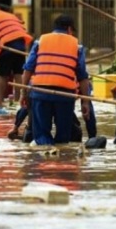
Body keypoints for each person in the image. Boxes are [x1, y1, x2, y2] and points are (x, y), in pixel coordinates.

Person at [20, 15, 91, 145]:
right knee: (63, 138)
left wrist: (23, 93)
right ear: (69, 29)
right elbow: (83, 77)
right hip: (64, 95)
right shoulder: (77, 46)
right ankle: (61, 161)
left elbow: (28, 70)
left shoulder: (40, 41)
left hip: (40, 92)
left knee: (41, 136)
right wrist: (85, 102)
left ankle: (45, 157)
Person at [0, 1, 33, 112]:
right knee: (18, 73)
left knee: (2, 75)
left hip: (7, 44)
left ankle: (0, 103)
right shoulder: (11, 15)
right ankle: (17, 102)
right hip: (20, 44)